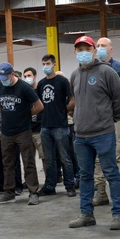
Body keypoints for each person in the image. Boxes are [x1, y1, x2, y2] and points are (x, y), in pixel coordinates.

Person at [68, 36, 120, 230]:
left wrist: (110, 119)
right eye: (80, 49)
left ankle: (118, 215)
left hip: (103, 133)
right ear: (75, 52)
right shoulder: (74, 75)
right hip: (81, 136)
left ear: (94, 51)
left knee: (111, 173)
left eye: (87, 48)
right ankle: (86, 214)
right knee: (85, 175)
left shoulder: (107, 72)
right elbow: (75, 101)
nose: (83, 52)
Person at [0, 62, 44, 205]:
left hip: (23, 130)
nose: (3, 80)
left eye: (5, 77)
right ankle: (9, 192)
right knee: (7, 162)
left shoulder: (24, 87)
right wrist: (7, 111)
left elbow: (39, 106)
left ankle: (33, 192)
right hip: (6, 131)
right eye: (1, 77)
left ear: (12, 74)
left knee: (28, 162)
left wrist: (24, 115)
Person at [92, 37, 120, 204]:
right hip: (97, 122)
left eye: (103, 45)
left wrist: (119, 112)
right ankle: (101, 193)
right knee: (98, 157)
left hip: (118, 120)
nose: (100, 48)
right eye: (98, 46)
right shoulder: (91, 69)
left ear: (111, 49)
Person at [37, 54, 77, 196]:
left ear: (54, 64)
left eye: (48, 63)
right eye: (43, 63)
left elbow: (72, 99)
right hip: (45, 126)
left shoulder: (62, 81)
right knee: (49, 159)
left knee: (65, 157)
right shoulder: (41, 83)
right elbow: (39, 102)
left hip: (60, 125)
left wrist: (63, 110)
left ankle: (70, 186)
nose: (45, 66)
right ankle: (49, 186)